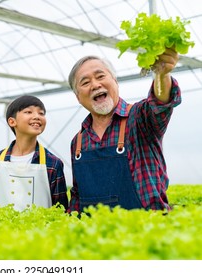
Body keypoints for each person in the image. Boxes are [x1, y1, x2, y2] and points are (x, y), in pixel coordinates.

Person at [67, 48, 181, 213]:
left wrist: (161, 75)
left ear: (115, 81)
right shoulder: (78, 142)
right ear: (78, 97)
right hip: (96, 236)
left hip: (146, 232)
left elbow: (160, 104)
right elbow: (78, 196)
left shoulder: (139, 118)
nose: (95, 85)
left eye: (100, 76)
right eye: (85, 82)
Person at [0, 95, 69, 211]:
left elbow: (61, 209)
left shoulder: (53, 163)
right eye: (28, 112)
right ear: (12, 121)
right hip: (2, 229)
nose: (37, 116)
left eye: (41, 113)